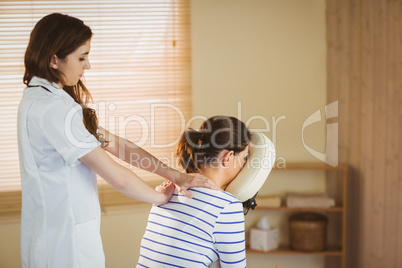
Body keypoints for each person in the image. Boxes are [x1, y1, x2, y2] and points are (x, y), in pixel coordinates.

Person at [18, 13, 217, 268]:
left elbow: (116, 145)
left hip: (58, 234)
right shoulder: (53, 109)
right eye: (81, 57)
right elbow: (118, 176)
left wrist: (175, 175)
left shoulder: (45, 100)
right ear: (54, 59)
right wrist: (161, 198)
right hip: (63, 244)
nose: (87, 66)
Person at [137, 116, 251, 267]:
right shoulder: (227, 206)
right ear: (228, 157)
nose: (244, 165)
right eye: (244, 158)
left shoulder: (168, 190)